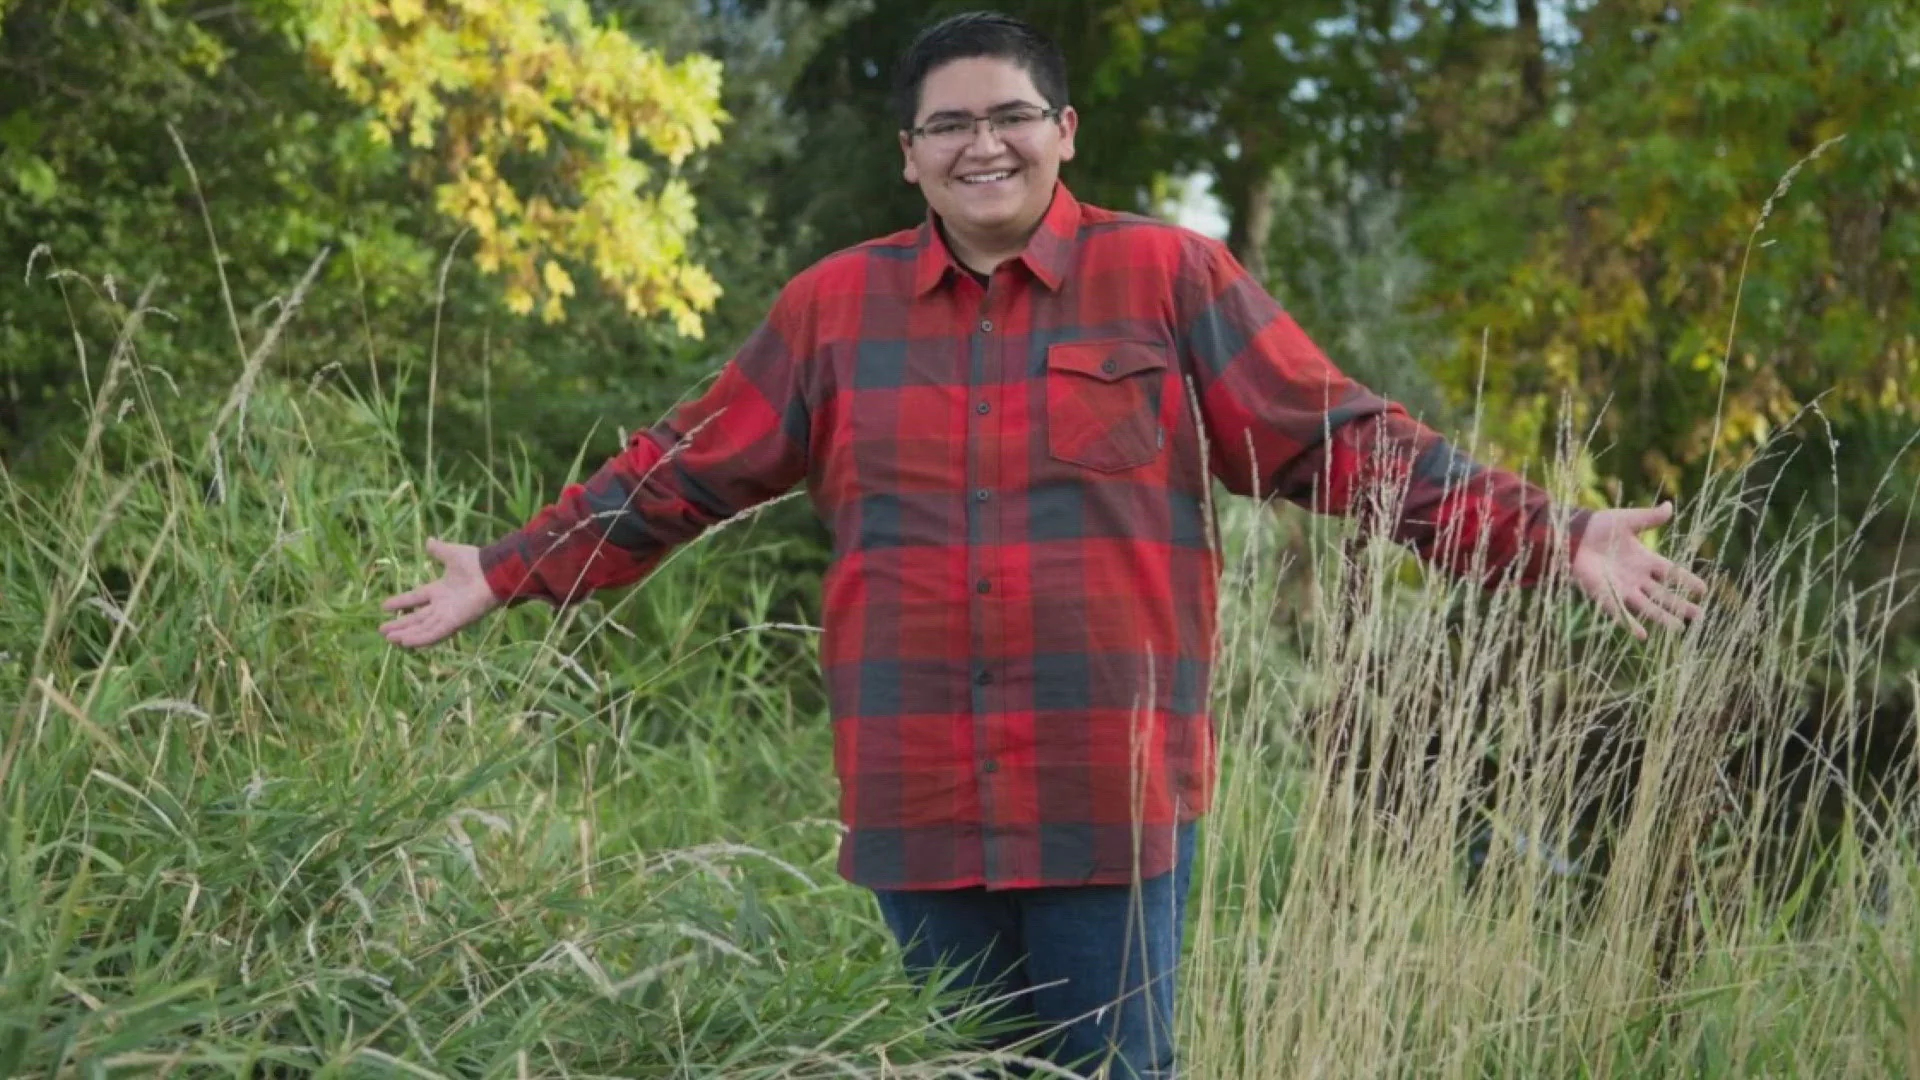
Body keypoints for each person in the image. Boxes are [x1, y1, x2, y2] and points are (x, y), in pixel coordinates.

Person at [380, 11, 1707, 1077]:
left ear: (1063, 132)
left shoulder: (1171, 278)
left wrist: (1554, 533)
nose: (982, 146)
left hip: (1107, 794)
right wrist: (507, 570)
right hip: (918, 796)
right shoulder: (834, 309)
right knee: (945, 1068)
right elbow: (686, 465)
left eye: (1010, 116)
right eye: (947, 125)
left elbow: (1338, 442)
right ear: (909, 154)